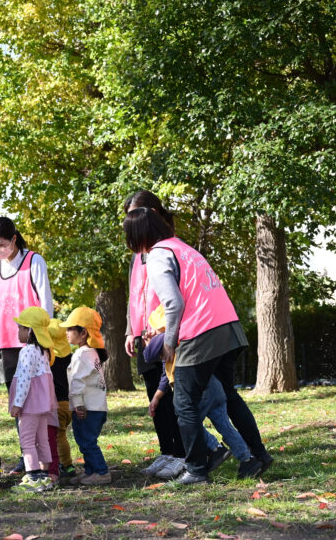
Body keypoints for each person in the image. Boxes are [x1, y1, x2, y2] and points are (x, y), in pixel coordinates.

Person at [123, 206, 273, 485]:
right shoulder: (183, 247)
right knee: (229, 397)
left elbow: (174, 303)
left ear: (138, 235)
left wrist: (168, 343)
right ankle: (258, 457)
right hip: (229, 326)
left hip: (201, 332)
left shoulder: (156, 255)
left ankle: (196, 470)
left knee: (184, 404)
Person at [143, 307, 256, 478]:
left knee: (188, 423)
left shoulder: (167, 337)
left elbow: (148, 355)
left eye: (154, 327)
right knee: (224, 425)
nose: (152, 331)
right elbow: (165, 377)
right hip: (213, 387)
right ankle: (248, 459)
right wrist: (157, 398)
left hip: (200, 390)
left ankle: (215, 448)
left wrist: (148, 342)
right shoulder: (185, 337)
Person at [121, 191, 186, 478]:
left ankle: (182, 453)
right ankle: (166, 451)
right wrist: (129, 331)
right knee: (153, 396)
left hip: (163, 333)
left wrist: (163, 332)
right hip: (142, 334)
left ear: (154, 212)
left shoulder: (167, 247)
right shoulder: (139, 253)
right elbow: (133, 295)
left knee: (170, 394)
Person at [0, 216, 54, 474]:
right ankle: (26, 457)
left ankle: (41, 458)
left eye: (1, 244)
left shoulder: (33, 260)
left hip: (30, 344)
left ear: (14, 239)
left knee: (35, 403)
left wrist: (44, 341)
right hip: (4, 343)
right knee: (16, 401)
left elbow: (45, 301)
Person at [9, 306, 58, 493]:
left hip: (30, 405)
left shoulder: (28, 351)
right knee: (42, 439)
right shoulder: (44, 351)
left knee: (27, 440)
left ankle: (32, 476)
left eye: (20, 328)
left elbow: (24, 379)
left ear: (30, 331)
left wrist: (17, 404)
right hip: (43, 404)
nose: (17, 331)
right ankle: (45, 476)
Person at [60, 306, 110, 485]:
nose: (66, 332)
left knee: (87, 441)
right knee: (86, 440)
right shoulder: (92, 353)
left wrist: (78, 405)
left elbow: (78, 381)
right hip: (96, 407)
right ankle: (90, 471)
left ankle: (101, 472)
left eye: (70, 328)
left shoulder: (82, 354)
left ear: (83, 333)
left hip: (87, 407)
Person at [47, 318, 76, 481]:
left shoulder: (50, 359)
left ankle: (66, 465)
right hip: (70, 402)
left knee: (58, 436)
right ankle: (65, 464)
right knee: (62, 434)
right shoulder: (71, 357)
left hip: (57, 403)